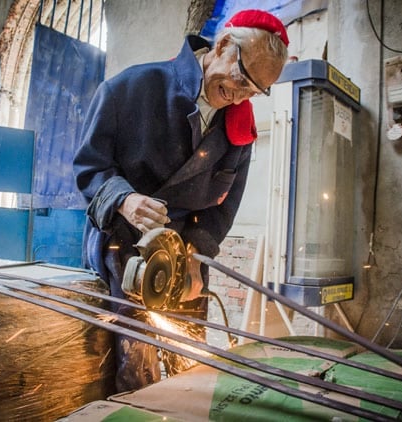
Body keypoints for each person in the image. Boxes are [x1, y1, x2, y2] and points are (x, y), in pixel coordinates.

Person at [73, 9, 289, 392]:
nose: (239, 96)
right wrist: (124, 200)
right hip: (124, 246)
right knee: (135, 361)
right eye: (240, 80)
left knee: (190, 354)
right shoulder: (130, 89)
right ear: (222, 46)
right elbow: (90, 168)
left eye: (253, 91)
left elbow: (224, 207)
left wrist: (196, 255)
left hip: (185, 251)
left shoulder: (238, 128)